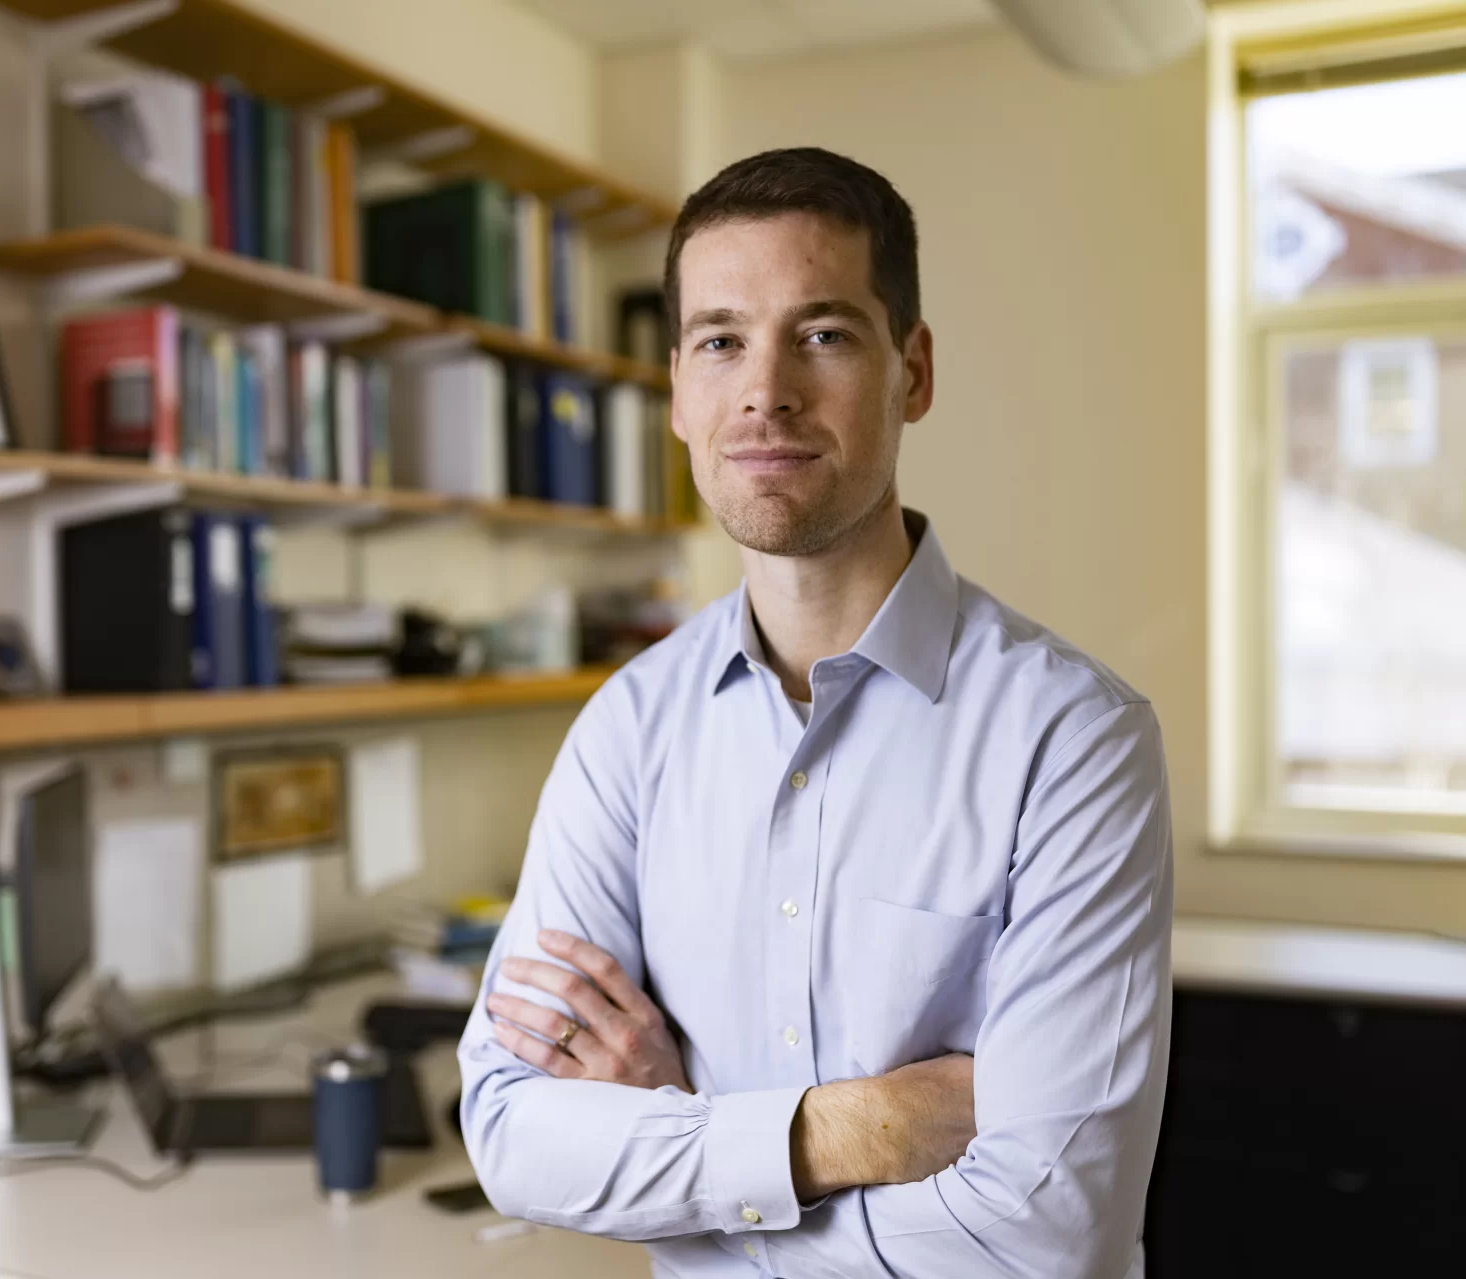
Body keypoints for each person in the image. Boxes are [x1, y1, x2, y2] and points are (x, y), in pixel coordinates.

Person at [457, 147, 1173, 1278]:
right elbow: (509, 1131)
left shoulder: (1071, 739)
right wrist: (866, 1127)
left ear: (914, 372)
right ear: (680, 393)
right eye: (719, 340)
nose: (764, 390)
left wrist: (681, 1133)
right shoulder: (627, 728)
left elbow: (1047, 1229)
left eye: (824, 333)